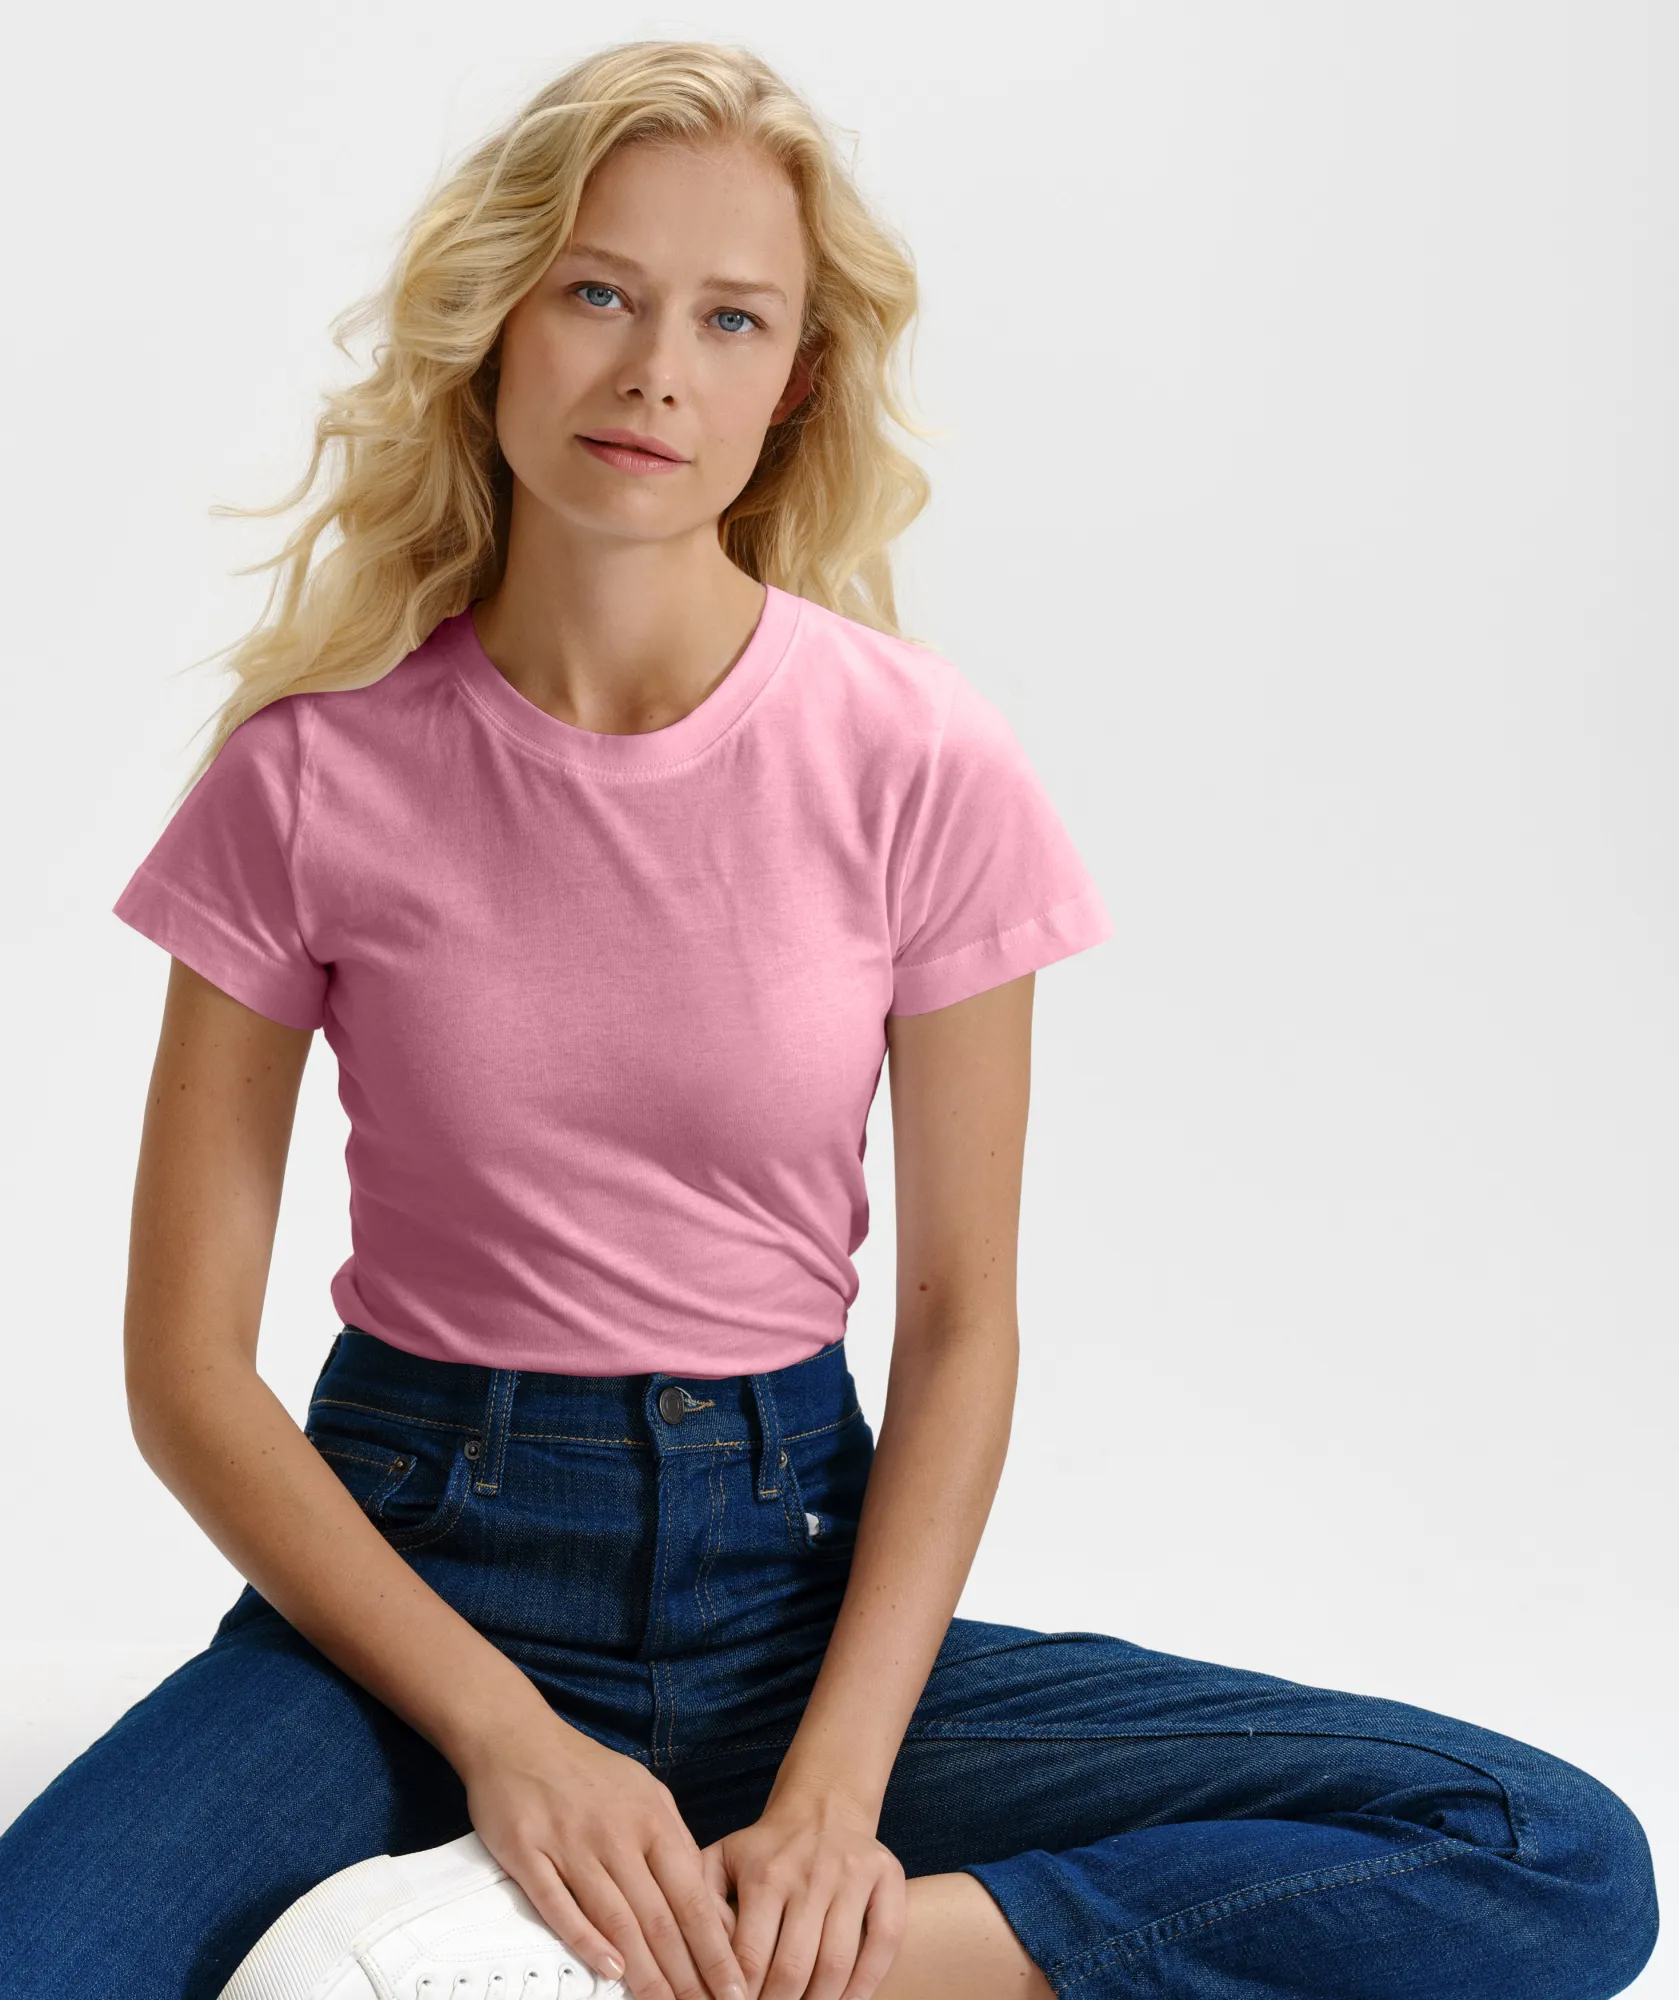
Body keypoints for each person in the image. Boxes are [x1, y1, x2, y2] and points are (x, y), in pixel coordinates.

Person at [0, 37, 1658, 2000]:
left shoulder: (913, 756)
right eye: (596, 291)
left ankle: (779, 1975)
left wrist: (836, 1810)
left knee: (1545, 1850)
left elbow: (956, 1321)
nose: (654, 371)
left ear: (794, 379)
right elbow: (186, 1369)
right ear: (497, 317)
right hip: (410, 1592)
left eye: (732, 318)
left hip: (791, 1603)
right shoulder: (308, 774)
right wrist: (509, 1743)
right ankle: (581, 1903)